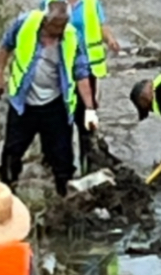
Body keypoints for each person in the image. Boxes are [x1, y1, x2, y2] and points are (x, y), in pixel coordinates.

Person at [0, 2, 99, 197]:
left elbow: (81, 73)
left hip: (55, 106)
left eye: (63, 25)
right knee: (11, 153)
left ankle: (62, 197)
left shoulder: (71, 36)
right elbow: (5, 46)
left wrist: (90, 109)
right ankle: (6, 195)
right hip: (23, 105)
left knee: (62, 159)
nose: (59, 30)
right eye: (56, 26)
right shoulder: (25, 24)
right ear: (45, 20)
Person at [41, 0, 120, 173]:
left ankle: (88, 164)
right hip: (59, 68)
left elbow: (101, 25)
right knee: (59, 116)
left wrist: (110, 40)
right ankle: (58, 165)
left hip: (87, 68)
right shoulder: (50, 3)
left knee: (85, 116)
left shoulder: (91, 3)